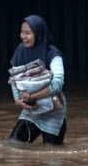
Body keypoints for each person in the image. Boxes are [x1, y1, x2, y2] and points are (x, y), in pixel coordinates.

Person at [7, 14, 67, 145]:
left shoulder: (52, 53)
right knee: (13, 145)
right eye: (22, 32)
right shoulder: (20, 51)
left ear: (38, 33)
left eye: (28, 33)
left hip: (53, 111)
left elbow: (57, 84)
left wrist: (32, 95)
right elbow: (14, 78)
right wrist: (17, 99)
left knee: (51, 153)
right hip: (31, 110)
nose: (23, 36)